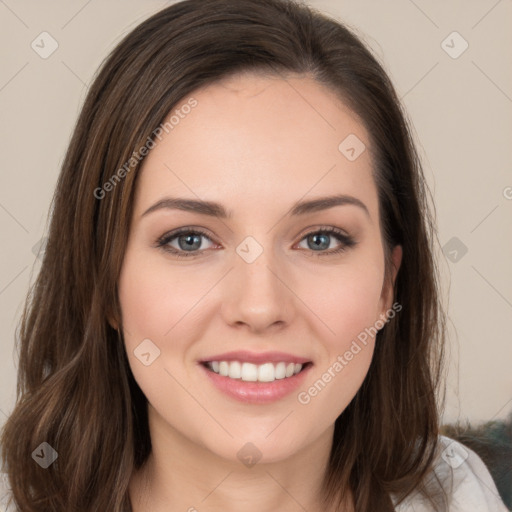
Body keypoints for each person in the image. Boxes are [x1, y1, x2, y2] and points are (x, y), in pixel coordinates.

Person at [0, 0, 508, 511]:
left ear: (386, 286)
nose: (261, 306)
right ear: (105, 282)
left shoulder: (461, 495)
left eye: (320, 239)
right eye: (190, 240)